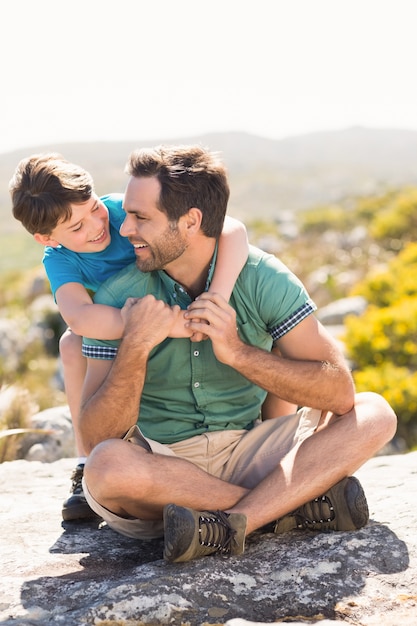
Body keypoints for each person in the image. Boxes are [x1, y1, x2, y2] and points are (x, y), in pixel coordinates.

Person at [78, 144, 397, 563]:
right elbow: (94, 438)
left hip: (251, 451)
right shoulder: (116, 298)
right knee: (106, 467)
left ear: (191, 221)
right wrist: (135, 346)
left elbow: (338, 392)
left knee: (374, 413)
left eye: (140, 217)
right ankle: (289, 508)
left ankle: (230, 523)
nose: (125, 230)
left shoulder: (262, 278)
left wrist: (239, 353)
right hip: (159, 466)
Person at [9, 151, 252, 522]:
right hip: (143, 320)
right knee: (70, 345)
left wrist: (214, 300)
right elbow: (79, 315)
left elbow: (232, 229)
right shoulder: (58, 260)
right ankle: (85, 461)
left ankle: (268, 434)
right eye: (75, 228)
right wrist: (159, 325)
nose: (94, 225)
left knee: (257, 320)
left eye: (92, 208)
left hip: (187, 301)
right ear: (46, 237)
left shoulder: (125, 211)